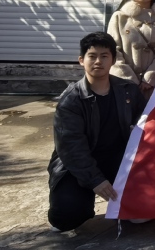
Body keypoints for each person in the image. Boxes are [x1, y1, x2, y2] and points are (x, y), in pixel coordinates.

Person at [48, 32, 145, 232]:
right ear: (81, 60)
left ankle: (124, 200)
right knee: (67, 216)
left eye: (104, 56)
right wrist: (96, 181)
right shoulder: (71, 100)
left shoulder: (129, 90)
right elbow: (70, 148)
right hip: (77, 165)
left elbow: (146, 126)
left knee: (142, 214)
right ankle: (80, 201)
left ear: (113, 60)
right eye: (92, 56)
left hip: (119, 161)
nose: (98, 61)